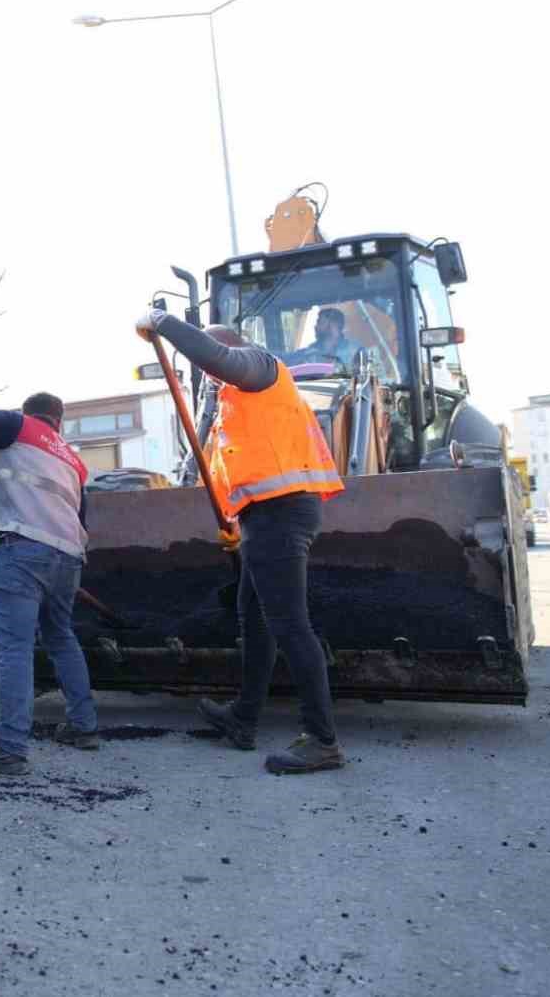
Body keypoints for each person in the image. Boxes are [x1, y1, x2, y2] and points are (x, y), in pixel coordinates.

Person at [135, 310, 348, 775]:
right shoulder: (234, 405)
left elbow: (217, 356)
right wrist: (235, 521)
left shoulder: (258, 367)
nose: (208, 374)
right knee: (255, 622)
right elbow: (239, 471)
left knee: (290, 625)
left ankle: (323, 741)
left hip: (282, 512)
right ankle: (243, 719)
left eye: (210, 362)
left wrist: (162, 321)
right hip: (262, 517)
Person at [0, 393, 99, 776]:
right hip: (67, 557)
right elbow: (81, 520)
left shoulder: (17, 426)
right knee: (61, 637)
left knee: (16, 650)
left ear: (30, 413)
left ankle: (8, 748)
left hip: (22, 550)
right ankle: (83, 725)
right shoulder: (73, 461)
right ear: (60, 422)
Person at [289, 308, 360, 370]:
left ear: (332, 325)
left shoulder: (356, 351)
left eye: (319, 322)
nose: (315, 327)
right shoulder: (308, 353)